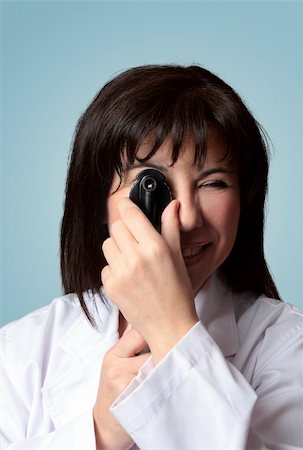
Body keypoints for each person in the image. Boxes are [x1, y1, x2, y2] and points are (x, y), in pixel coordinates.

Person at [1, 65, 302, 450]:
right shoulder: (20, 353)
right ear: (98, 203)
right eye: (152, 184)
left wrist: (171, 328)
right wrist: (99, 434)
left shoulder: (288, 345)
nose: (188, 217)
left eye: (213, 182)